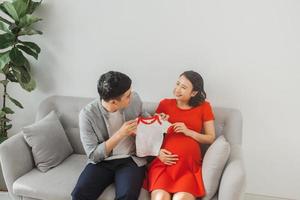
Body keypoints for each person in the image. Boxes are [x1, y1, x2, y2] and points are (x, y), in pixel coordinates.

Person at [72, 71, 147, 200]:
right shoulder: (87, 115)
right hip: (102, 162)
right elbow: (94, 155)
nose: (132, 96)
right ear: (114, 102)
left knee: (127, 195)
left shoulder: (134, 100)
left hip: (130, 160)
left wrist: (155, 120)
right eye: (128, 96)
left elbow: (143, 116)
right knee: (79, 194)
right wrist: (120, 134)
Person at [145, 70, 216, 200]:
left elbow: (210, 138)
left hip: (188, 167)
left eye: (183, 87)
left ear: (193, 93)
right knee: (160, 197)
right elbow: (150, 136)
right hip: (164, 164)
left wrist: (189, 132)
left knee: (181, 198)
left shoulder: (204, 107)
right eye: (177, 84)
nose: (177, 89)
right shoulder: (165, 104)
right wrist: (159, 124)